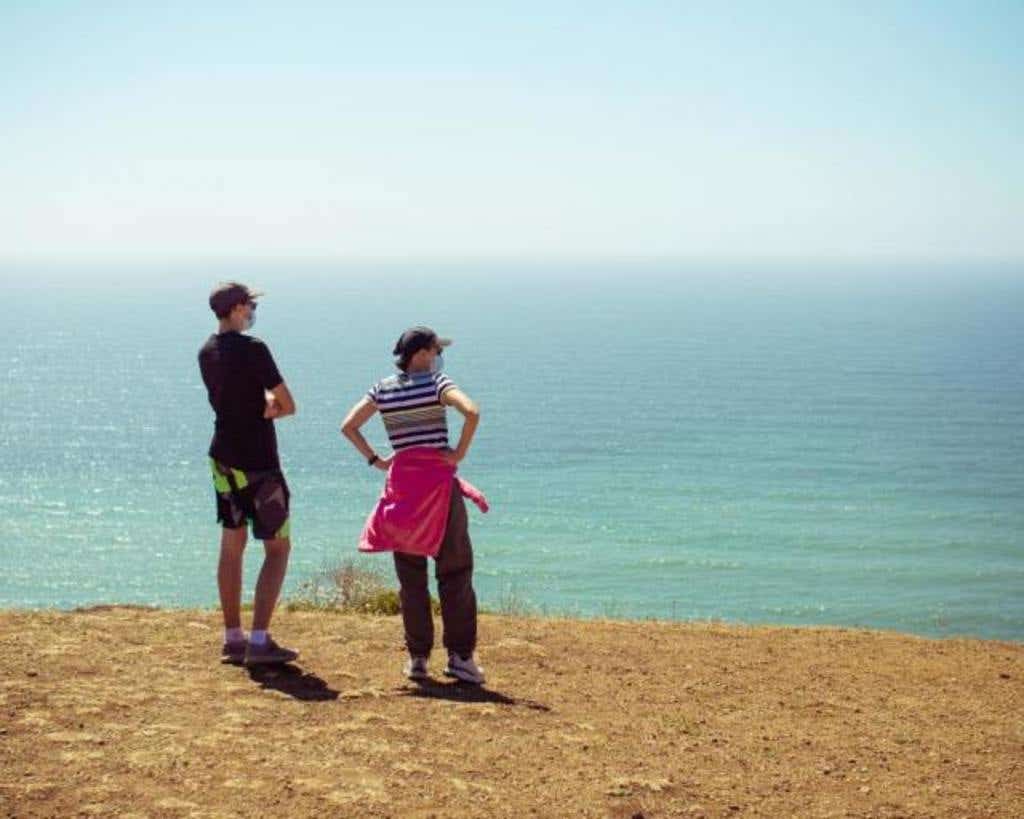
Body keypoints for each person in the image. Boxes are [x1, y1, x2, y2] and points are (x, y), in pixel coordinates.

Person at [341, 326, 487, 684]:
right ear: (422, 353)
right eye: (436, 350)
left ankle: (418, 658)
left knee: (411, 579)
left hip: (402, 490)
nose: (439, 357)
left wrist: (377, 461)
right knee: (454, 572)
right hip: (438, 488)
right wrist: (458, 453)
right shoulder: (438, 383)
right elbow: (472, 411)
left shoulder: (382, 388)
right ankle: (460, 657)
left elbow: (349, 426)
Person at [198, 282, 299, 667]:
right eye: (251, 305)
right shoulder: (254, 348)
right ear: (239, 308)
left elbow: (231, 401)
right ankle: (259, 642)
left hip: (222, 458)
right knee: (277, 548)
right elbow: (286, 404)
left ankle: (232, 638)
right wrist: (271, 407)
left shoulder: (205, 352)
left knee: (231, 546)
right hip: (259, 462)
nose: (254, 311)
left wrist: (262, 405)